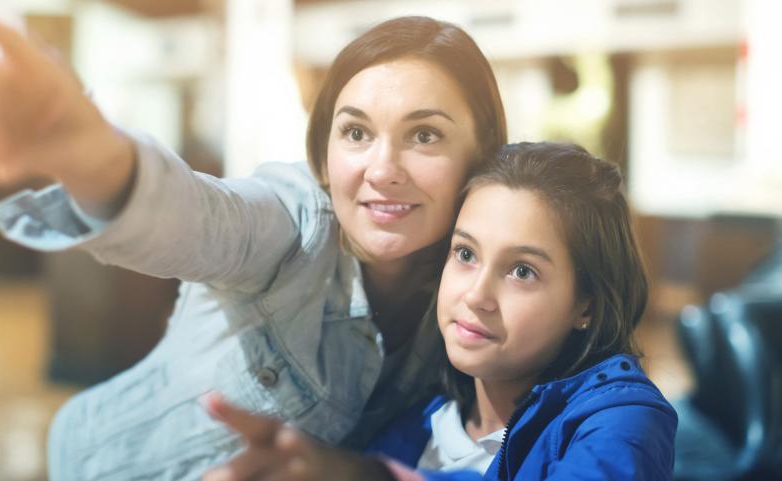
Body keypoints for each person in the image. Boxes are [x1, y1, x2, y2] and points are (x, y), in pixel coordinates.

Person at [0, 5, 507, 480]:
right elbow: (197, 216)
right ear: (325, 150)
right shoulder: (293, 226)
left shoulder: (475, 297)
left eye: (424, 135)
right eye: (356, 132)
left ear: (480, 158)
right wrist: (89, 153)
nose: (382, 170)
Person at [203, 142, 678, 481]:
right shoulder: (415, 422)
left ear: (586, 304)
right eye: (465, 254)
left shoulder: (622, 419)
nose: (476, 295)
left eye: (522, 271)